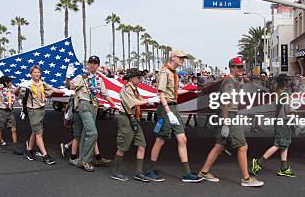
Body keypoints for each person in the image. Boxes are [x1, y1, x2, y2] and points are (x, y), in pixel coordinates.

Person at [198, 57, 264, 187]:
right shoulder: (229, 82)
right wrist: (226, 123)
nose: (241, 69)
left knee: (220, 145)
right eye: (238, 66)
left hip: (229, 114)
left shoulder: (233, 81)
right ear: (232, 68)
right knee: (242, 146)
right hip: (230, 115)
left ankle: (204, 172)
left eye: (242, 66)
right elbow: (224, 103)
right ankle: (246, 179)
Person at [146, 50, 202, 183]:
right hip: (166, 108)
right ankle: (150, 170)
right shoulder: (165, 72)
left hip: (173, 106)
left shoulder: (173, 73)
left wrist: (191, 89)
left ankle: (187, 173)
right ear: (173, 58)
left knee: (182, 139)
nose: (182, 60)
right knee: (161, 139)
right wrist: (168, 111)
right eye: (181, 57)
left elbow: (174, 92)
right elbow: (161, 94)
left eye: (183, 58)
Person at [68, 56, 116, 172]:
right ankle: (86, 160)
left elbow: (104, 94)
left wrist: (114, 104)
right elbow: (70, 86)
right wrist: (68, 76)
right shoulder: (82, 77)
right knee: (93, 133)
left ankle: (80, 160)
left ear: (98, 65)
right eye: (91, 63)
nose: (93, 65)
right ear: (88, 65)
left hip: (94, 106)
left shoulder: (99, 79)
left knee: (86, 134)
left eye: (95, 63)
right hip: (84, 104)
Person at [19, 65, 72, 164]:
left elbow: (52, 89)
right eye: (34, 72)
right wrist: (20, 86)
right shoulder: (28, 85)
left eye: (38, 72)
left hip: (41, 110)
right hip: (33, 111)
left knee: (35, 131)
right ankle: (45, 155)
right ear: (31, 74)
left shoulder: (42, 83)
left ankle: (29, 150)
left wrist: (66, 91)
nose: (36, 74)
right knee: (39, 133)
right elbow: (16, 93)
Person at [111, 68, 156, 182]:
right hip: (126, 118)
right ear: (131, 78)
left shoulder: (135, 89)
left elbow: (140, 99)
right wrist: (148, 101)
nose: (140, 79)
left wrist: (151, 100)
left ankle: (138, 173)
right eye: (138, 77)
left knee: (142, 144)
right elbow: (133, 103)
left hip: (133, 118)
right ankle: (116, 172)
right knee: (122, 147)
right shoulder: (126, 89)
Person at [252, 74, 295, 178]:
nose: (290, 82)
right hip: (284, 121)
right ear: (285, 83)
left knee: (284, 144)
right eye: (288, 81)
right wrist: (293, 118)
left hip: (280, 120)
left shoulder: (278, 92)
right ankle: (259, 162)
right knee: (279, 144)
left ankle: (284, 168)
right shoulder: (285, 94)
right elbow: (289, 109)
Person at [0, 76, 23, 155]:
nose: (11, 83)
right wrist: (0, 86)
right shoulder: (0, 90)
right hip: (2, 111)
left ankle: (15, 147)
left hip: (10, 111)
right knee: (0, 128)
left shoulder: (11, 90)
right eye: (10, 81)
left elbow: (17, 94)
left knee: (13, 128)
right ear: (6, 83)